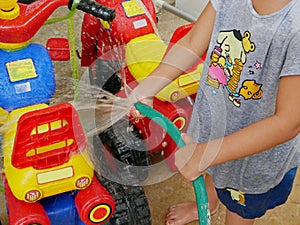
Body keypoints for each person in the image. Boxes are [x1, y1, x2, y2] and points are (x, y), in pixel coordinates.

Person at [129, 0, 300, 224]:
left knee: (238, 208)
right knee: (213, 168)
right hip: (215, 121)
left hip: (253, 155)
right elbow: (192, 42)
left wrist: (202, 154)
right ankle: (209, 203)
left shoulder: (295, 24)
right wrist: (149, 86)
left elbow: (288, 122)